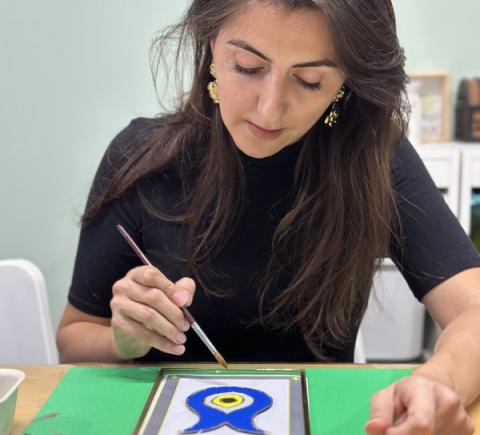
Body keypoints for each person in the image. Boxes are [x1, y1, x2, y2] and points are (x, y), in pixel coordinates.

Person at [57, 0, 480, 433]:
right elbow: (74, 338)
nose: (270, 109)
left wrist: (438, 381)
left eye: (310, 81)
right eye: (247, 67)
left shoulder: (373, 160)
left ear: (344, 82)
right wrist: (122, 340)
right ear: (212, 44)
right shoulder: (142, 158)